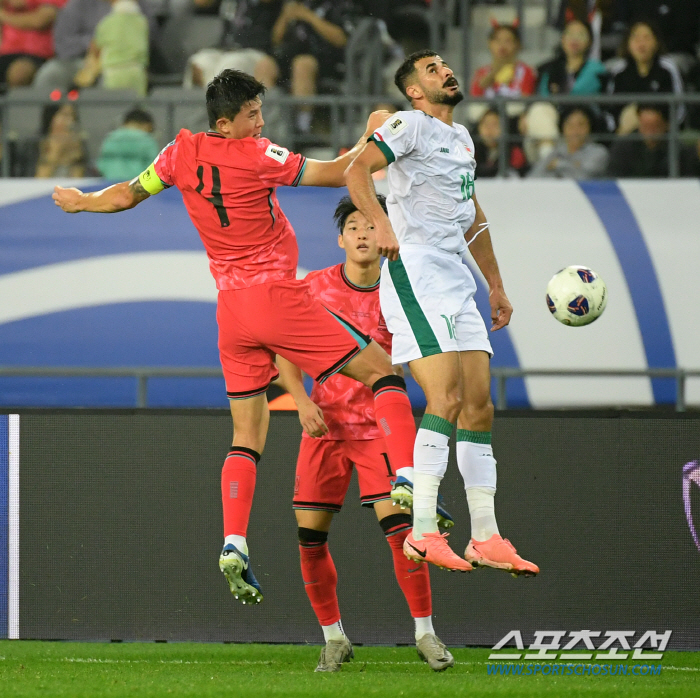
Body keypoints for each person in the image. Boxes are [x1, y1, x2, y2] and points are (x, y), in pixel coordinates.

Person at [52, 69, 419, 607]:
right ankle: (407, 477)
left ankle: (233, 540)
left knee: (247, 433)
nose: (261, 121)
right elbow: (342, 172)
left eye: (260, 111)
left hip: (231, 313)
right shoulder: (257, 154)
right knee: (383, 370)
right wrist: (374, 133)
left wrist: (82, 201)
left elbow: (128, 194)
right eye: (251, 114)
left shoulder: (178, 154)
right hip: (276, 300)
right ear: (224, 123)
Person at [346, 50, 540, 574]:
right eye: (431, 70)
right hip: (415, 271)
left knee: (479, 405)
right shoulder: (408, 124)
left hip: (456, 277)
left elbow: (472, 217)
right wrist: (378, 222)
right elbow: (357, 170)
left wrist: (494, 285)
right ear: (413, 90)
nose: (445, 72)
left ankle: (486, 535)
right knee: (446, 397)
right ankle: (423, 531)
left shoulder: (461, 138)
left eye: (445, 66)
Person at [274, 195, 453, 673]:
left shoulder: (402, 291)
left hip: (378, 432)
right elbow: (284, 352)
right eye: (353, 226)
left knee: (403, 537)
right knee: (309, 539)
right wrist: (301, 400)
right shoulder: (312, 288)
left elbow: (422, 356)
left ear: (384, 236)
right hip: (324, 430)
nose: (361, 234)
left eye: (370, 226)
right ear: (340, 239)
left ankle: (425, 634)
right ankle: (334, 638)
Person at [271, 0, 360, 134]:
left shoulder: (338, 5)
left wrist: (309, 16)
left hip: (328, 62)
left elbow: (342, 39)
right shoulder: (292, 5)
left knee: (302, 64)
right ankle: (269, 129)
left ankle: (302, 128)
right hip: (288, 60)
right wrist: (285, 17)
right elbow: (276, 40)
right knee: (264, 65)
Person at [32, 0, 155, 94]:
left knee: (111, 79)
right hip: (79, 60)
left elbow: (149, 37)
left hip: (118, 62)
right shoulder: (78, 4)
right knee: (50, 74)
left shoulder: (136, 5)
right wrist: (91, 44)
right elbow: (62, 43)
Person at [605, 20, 684, 133]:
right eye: (636, 38)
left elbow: (678, 108)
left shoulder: (667, 69)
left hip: (662, 134)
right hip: (626, 134)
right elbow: (610, 109)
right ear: (628, 44)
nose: (641, 44)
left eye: (647, 38)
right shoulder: (619, 71)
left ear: (656, 42)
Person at [184, 0, 281, 91]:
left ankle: (217, 106)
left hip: (255, 51)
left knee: (230, 65)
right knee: (199, 61)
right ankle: (195, 108)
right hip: (225, 49)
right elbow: (200, 2)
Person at [73, 0, 149, 96]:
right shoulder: (142, 22)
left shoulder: (106, 23)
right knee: (138, 107)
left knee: (115, 107)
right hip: (137, 70)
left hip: (114, 71)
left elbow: (95, 49)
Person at [0, 0, 65, 90]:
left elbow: (39, 21)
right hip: (5, 52)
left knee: (19, 73)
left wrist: (3, 16)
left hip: (36, 55)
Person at [528, 106, 608, 178]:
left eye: (581, 125)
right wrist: (574, 165)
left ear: (590, 127)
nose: (575, 131)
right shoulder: (555, 152)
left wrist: (558, 164)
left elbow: (584, 176)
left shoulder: (598, 152)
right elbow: (533, 177)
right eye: (570, 125)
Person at [537, 19, 606, 96]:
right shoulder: (549, 69)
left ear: (589, 41)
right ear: (562, 39)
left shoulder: (596, 69)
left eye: (581, 35)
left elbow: (583, 93)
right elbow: (544, 96)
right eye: (570, 34)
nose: (574, 39)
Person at [470, 23, 536, 99]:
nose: (502, 45)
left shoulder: (526, 71)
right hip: (487, 110)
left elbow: (526, 98)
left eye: (508, 41)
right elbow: (475, 99)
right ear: (489, 43)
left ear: (517, 44)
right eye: (498, 40)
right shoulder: (481, 73)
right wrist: (494, 73)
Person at [607, 103, 671, 176]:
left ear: (666, 125)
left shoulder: (677, 149)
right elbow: (613, 176)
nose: (649, 133)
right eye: (645, 126)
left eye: (654, 127)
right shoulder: (623, 147)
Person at [97, 107, 160, 180]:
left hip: (109, 184)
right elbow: (154, 168)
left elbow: (101, 165)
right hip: (136, 186)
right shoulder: (148, 141)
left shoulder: (110, 138)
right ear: (147, 125)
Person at [35, 102, 87, 177]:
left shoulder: (78, 144)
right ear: (51, 117)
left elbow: (79, 180)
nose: (70, 121)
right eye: (65, 115)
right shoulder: (35, 142)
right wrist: (55, 153)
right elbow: (37, 180)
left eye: (73, 116)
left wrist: (74, 157)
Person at [473, 108, 528, 178]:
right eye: (485, 124)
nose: (489, 129)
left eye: (494, 124)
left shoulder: (514, 152)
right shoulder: (472, 151)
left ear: (505, 127)